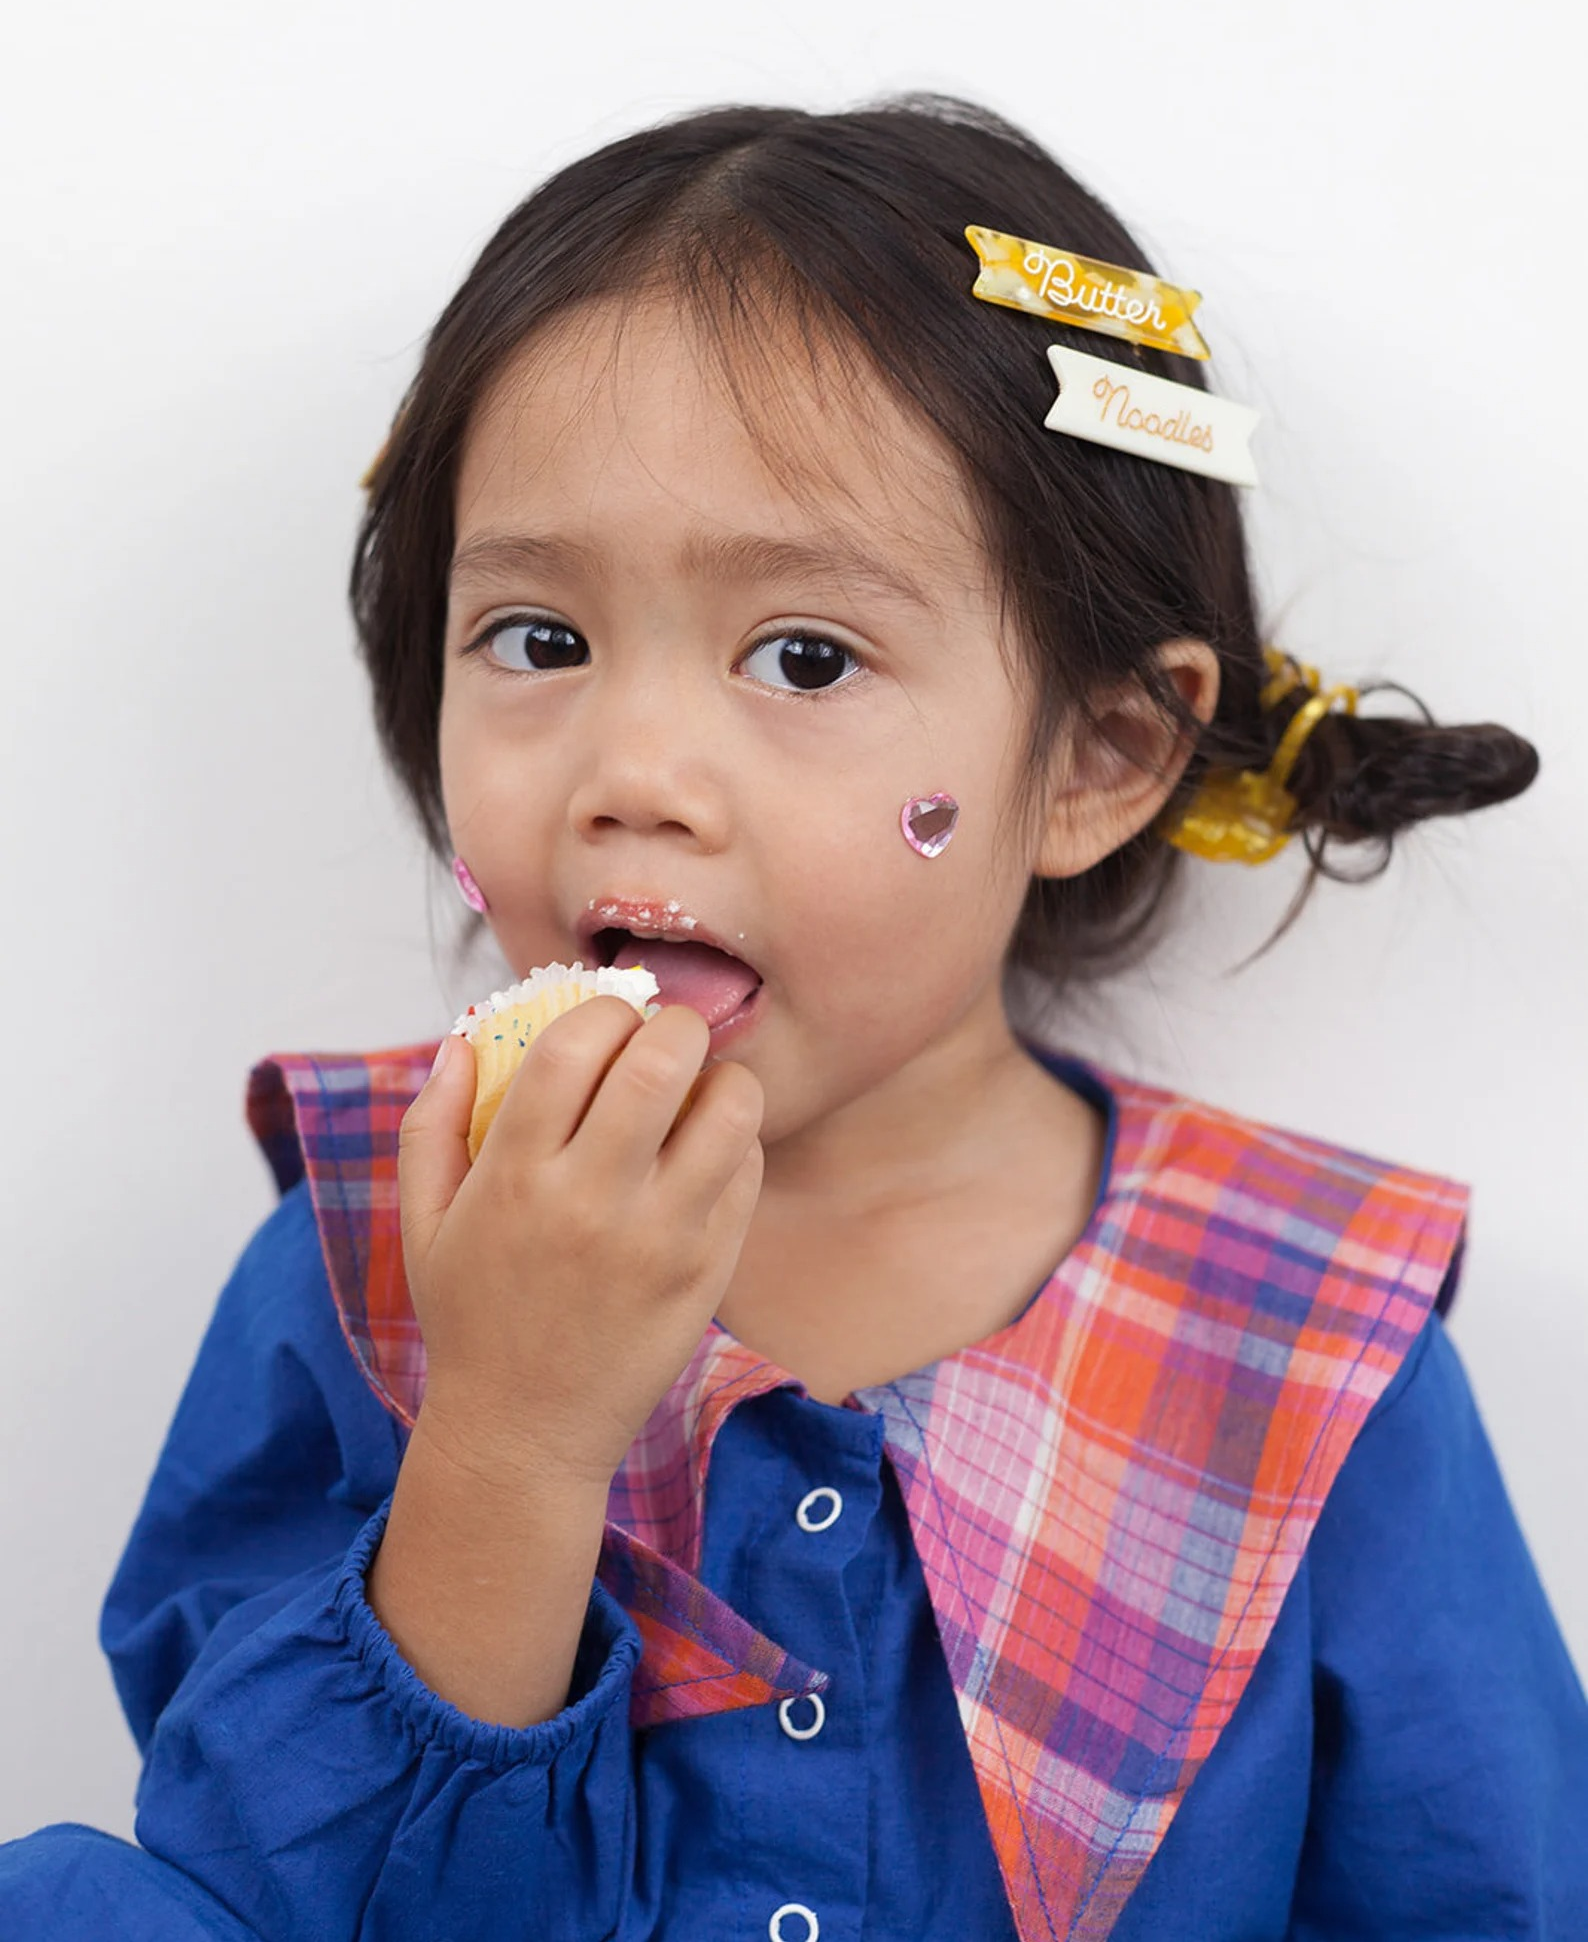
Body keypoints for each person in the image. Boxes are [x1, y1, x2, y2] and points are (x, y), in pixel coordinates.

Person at [2, 93, 1584, 1942]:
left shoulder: (1308, 1336)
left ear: (1097, 755)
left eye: (804, 657)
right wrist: (507, 1429)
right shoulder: (373, 1250)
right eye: (537, 637)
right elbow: (263, 1900)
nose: (632, 771)